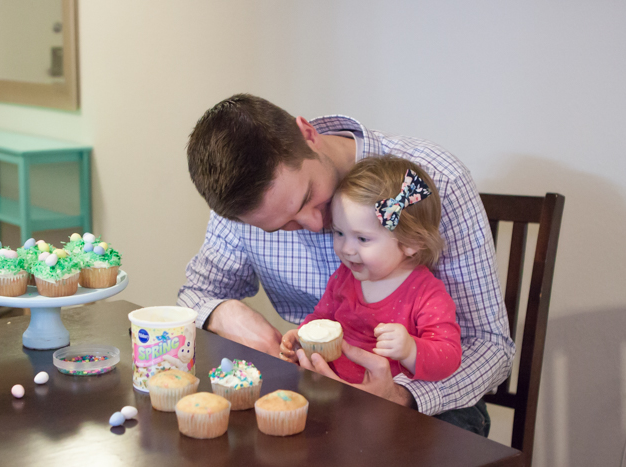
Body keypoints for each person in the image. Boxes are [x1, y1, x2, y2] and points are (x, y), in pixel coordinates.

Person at [178, 93, 515, 435]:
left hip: (428, 404)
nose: (313, 225)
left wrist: (402, 394)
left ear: (308, 134)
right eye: (281, 226)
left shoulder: (432, 181)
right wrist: (226, 313)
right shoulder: (244, 205)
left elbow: (490, 345)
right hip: (321, 390)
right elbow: (196, 296)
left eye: (308, 197)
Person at [279, 156, 462, 384]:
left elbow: (449, 357)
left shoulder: (427, 294)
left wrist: (410, 350)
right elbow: (322, 317)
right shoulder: (344, 277)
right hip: (332, 390)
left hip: (386, 407)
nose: (346, 249)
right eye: (339, 233)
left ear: (410, 242)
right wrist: (304, 335)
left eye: (363, 238)